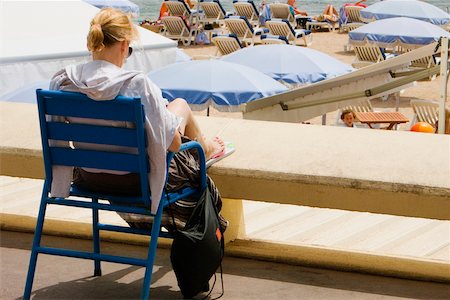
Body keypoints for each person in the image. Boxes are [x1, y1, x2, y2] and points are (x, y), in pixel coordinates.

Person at [49, 8, 228, 231]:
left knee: (174, 109)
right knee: (180, 105)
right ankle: (207, 148)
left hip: (89, 177)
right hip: (135, 182)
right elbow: (173, 144)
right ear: (124, 45)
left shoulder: (63, 82)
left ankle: (205, 145)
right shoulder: (136, 84)